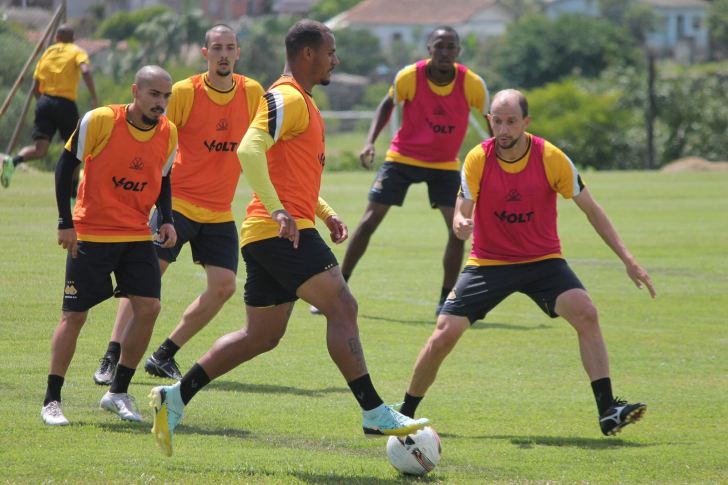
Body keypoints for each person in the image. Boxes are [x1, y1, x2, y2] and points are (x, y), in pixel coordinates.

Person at [148, 20, 429, 457]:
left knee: (259, 336)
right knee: (342, 305)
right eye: (331, 52)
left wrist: (326, 212)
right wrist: (280, 211)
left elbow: (292, 176)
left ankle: (176, 397)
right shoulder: (286, 96)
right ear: (308, 55)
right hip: (280, 231)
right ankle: (374, 411)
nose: (336, 60)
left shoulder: (303, 103)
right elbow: (248, 148)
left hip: (277, 230)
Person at [395, 89, 655, 437]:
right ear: (489, 121)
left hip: (542, 261)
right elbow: (462, 208)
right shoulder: (478, 158)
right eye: (497, 121)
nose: (503, 130)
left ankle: (608, 410)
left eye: (511, 122)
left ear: (526, 122)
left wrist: (629, 259)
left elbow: (592, 210)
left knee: (585, 312)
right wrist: (459, 224)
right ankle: (403, 413)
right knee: (443, 335)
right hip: (488, 263)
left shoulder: (551, 157)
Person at [91, 24, 265, 386]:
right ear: (205, 54)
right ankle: (112, 356)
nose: (223, 54)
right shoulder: (185, 92)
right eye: (216, 47)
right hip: (178, 206)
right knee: (143, 282)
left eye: (229, 47)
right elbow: (156, 139)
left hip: (219, 210)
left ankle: (164, 354)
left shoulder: (252, 93)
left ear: (237, 53)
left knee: (224, 287)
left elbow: (261, 142)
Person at [309, 26, 490, 316]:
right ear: (429, 48)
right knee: (368, 222)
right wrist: (369, 142)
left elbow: (492, 120)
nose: (445, 51)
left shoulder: (472, 83)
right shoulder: (409, 76)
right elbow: (386, 105)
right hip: (403, 158)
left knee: (458, 230)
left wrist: (495, 160)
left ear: (458, 51)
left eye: (451, 47)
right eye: (439, 46)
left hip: (444, 164)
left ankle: (447, 301)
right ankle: (337, 292)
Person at [41, 66, 178, 426]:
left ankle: (117, 392)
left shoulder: (169, 132)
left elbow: (163, 179)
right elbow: (64, 166)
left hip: (136, 235)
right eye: (154, 94)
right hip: (92, 233)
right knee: (75, 316)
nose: (160, 103)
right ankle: (52, 400)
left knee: (148, 308)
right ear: (136, 91)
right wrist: (64, 221)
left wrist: (167, 218)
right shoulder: (101, 120)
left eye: (166, 96)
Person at [2, 24, 98, 189]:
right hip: (65, 104)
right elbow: (86, 70)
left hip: (44, 102)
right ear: (73, 39)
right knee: (75, 150)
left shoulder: (47, 53)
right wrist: (94, 97)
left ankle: (13, 161)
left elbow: (35, 87)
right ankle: (73, 195)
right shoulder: (77, 51)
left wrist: (43, 103)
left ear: (56, 38)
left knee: (40, 150)